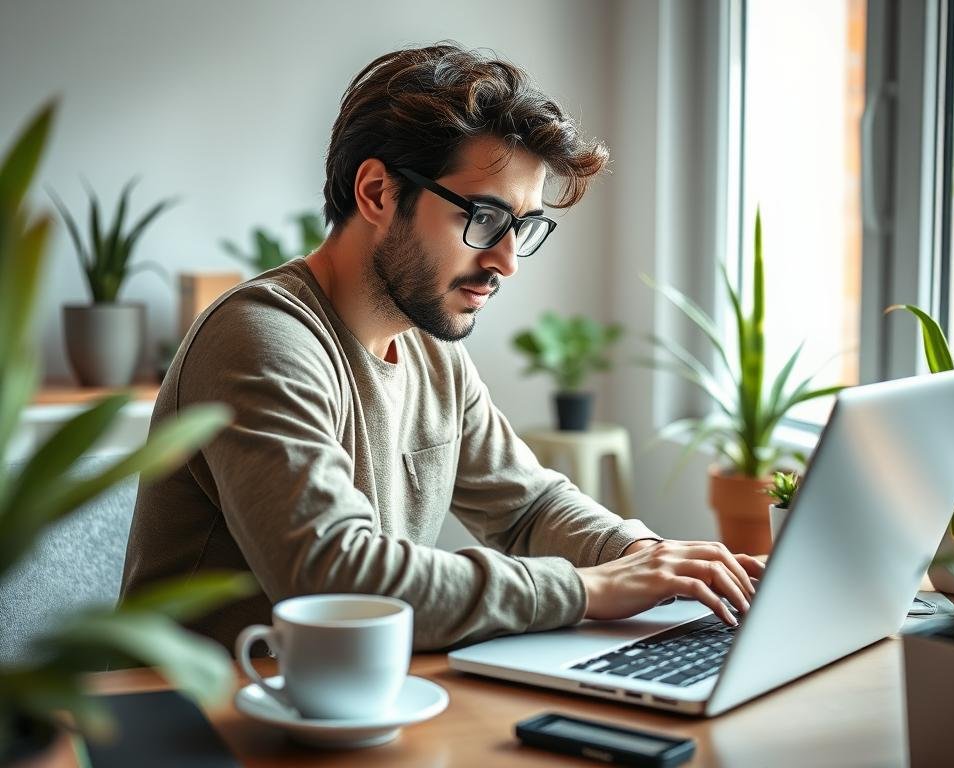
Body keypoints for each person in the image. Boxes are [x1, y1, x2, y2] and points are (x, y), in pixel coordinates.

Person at [120, 42, 764, 653]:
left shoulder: (430, 346)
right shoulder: (261, 339)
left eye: (524, 226)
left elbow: (528, 506)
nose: (507, 261)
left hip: (350, 703)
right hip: (201, 722)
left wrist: (643, 556)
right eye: (483, 218)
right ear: (377, 193)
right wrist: (587, 590)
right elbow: (330, 575)